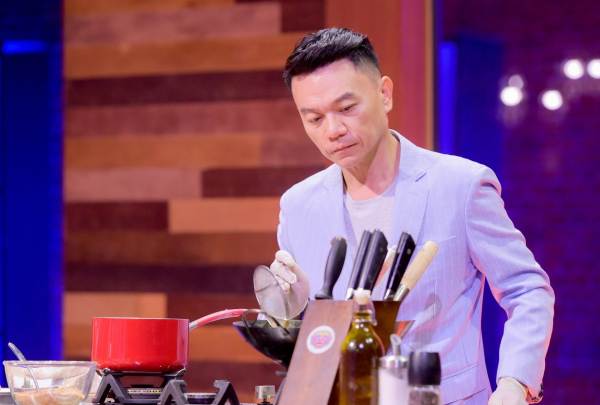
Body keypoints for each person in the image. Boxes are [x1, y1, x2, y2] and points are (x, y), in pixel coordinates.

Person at [267, 28, 554, 404]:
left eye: (347, 108)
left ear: (384, 94)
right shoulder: (298, 205)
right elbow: (311, 335)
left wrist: (515, 384)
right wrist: (289, 307)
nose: (333, 130)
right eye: (314, 118)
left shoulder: (460, 185)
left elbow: (527, 289)